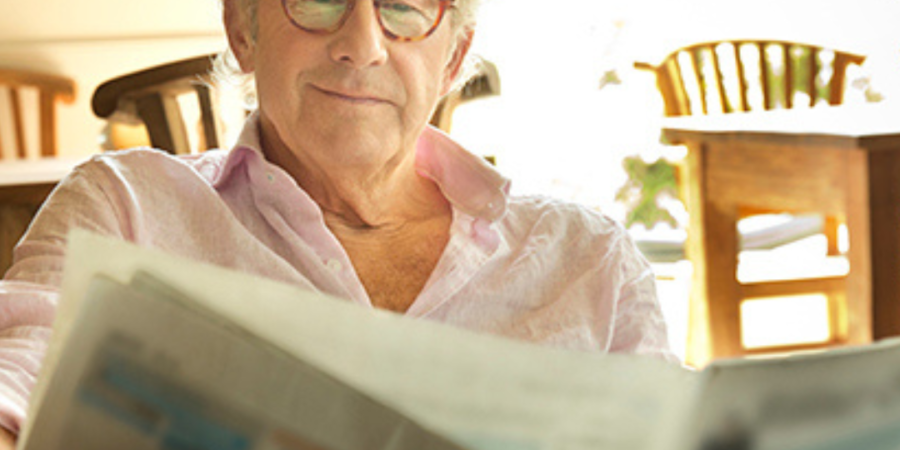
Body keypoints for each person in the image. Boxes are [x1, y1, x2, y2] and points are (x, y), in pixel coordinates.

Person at [0, 0, 676, 446]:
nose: (361, 45)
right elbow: (12, 387)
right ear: (243, 29)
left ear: (455, 60)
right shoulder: (126, 209)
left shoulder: (590, 264)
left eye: (404, 9)